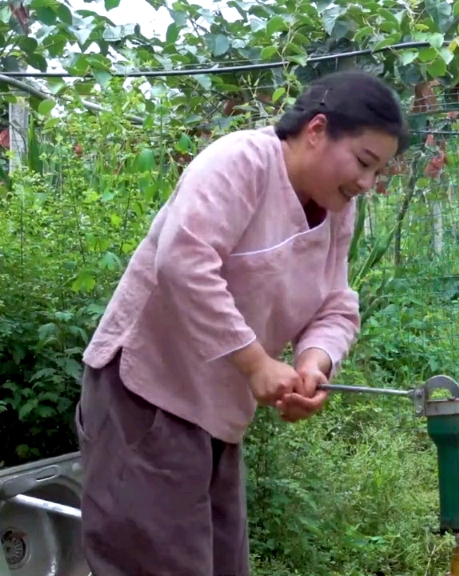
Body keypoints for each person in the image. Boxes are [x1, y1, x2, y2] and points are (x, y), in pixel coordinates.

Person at [73, 69, 409, 575]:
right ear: (316, 129)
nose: (365, 183)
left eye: (377, 173)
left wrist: (313, 364)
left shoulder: (337, 210)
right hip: (145, 399)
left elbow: (336, 305)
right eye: (363, 162)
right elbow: (182, 262)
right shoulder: (242, 161)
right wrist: (255, 363)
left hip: (215, 416)